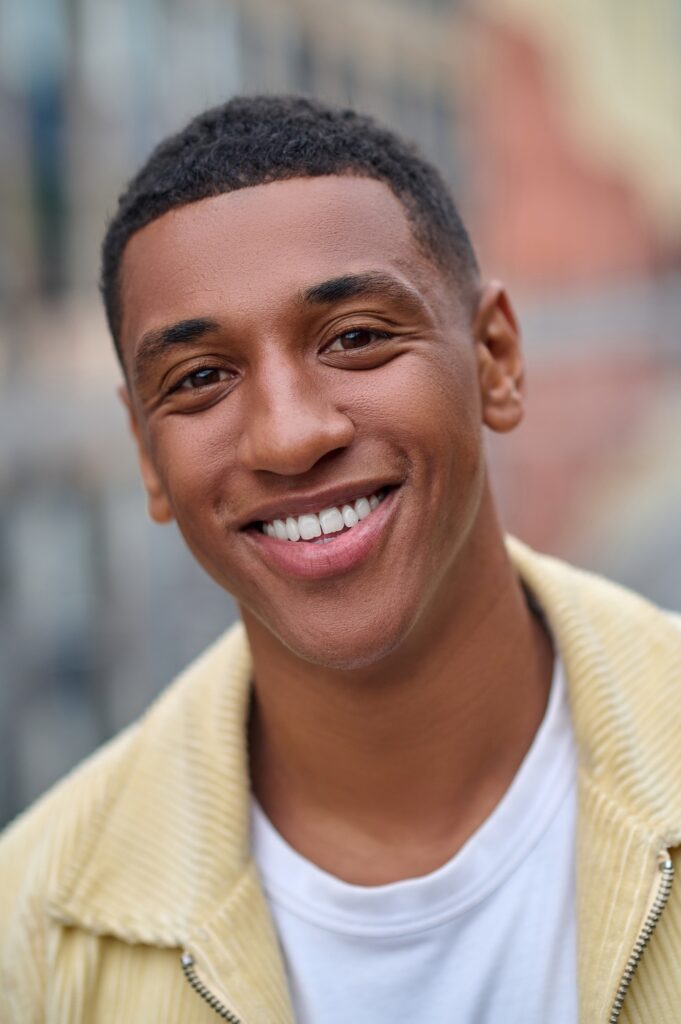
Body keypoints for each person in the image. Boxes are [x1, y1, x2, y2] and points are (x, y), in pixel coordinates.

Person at [1, 95, 680, 1024]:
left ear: (495, 360)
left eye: (355, 338)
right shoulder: (31, 936)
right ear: (145, 453)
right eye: (199, 379)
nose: (287, 437)